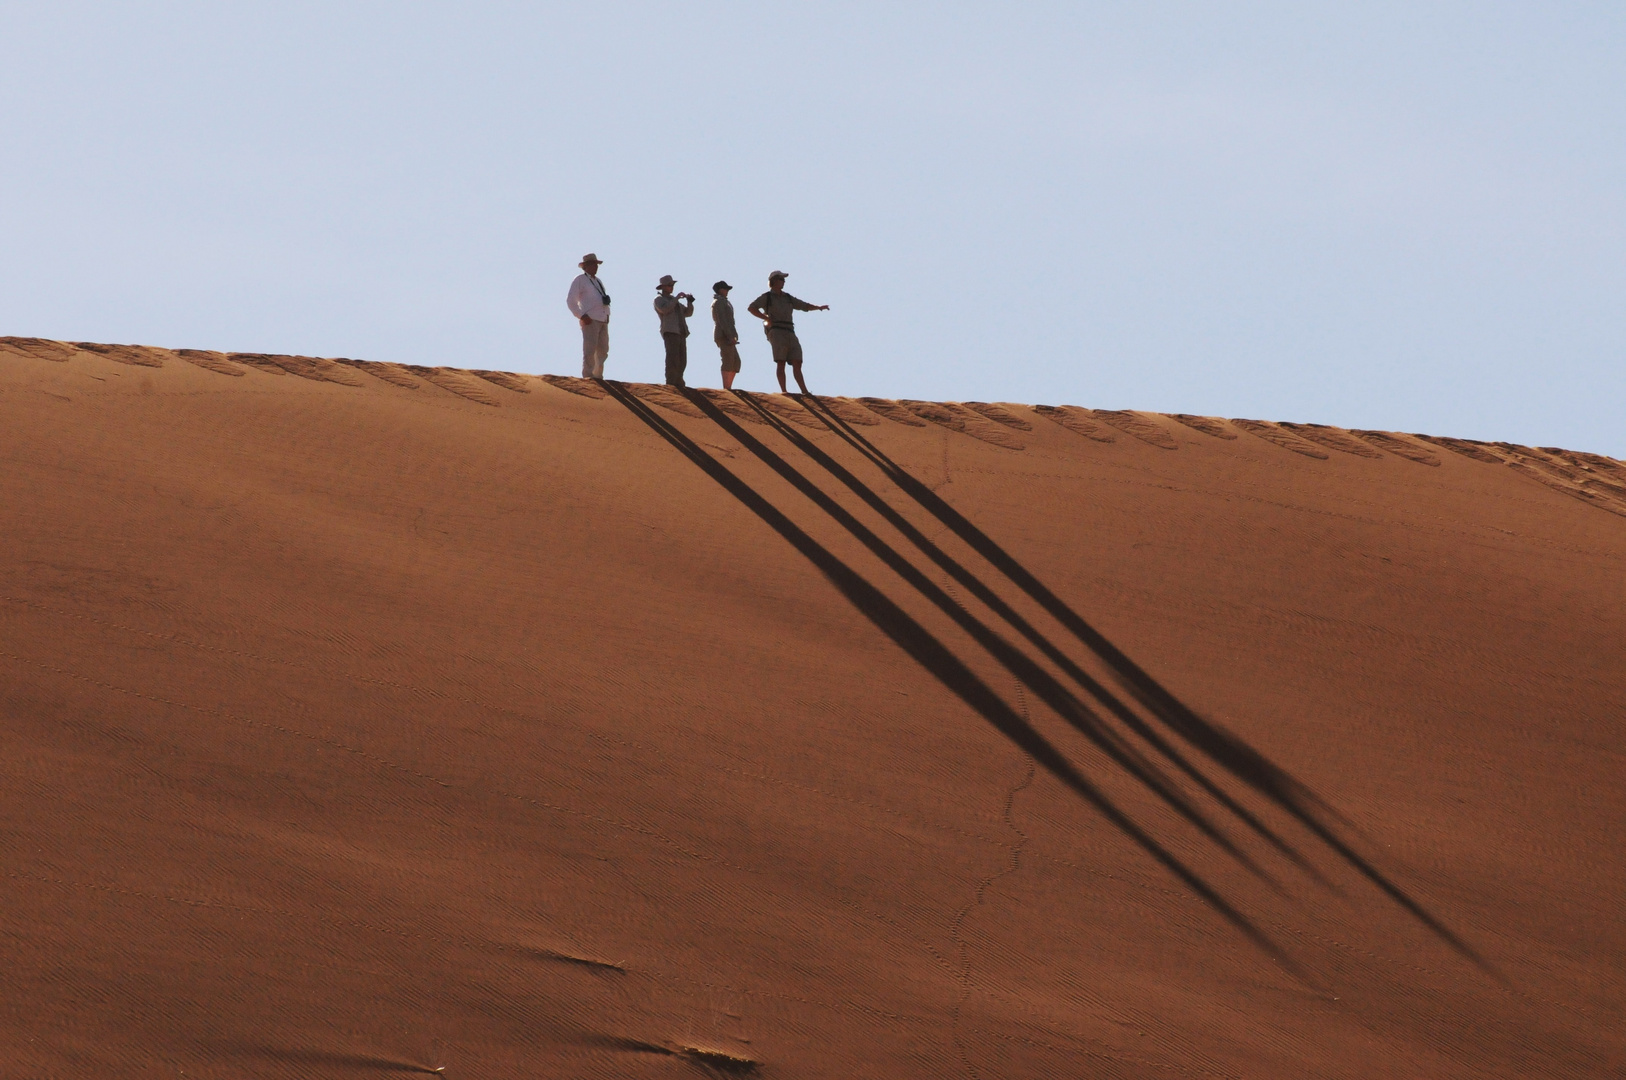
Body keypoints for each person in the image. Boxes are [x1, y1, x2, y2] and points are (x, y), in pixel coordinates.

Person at [747, 270, 828, 394]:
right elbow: (751, 307)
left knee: (797, 361)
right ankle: (784, 391)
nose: (783, 281)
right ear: (773, 281)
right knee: (781, 362)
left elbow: (803, 305)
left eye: (783, 279)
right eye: (781, 279)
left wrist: (818, 307)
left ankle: (804, 391)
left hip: (790, 330)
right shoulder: (767, 297)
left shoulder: (788, 298)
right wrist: (766, 318)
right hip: (776, 330)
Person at [566, 253, 611, 379]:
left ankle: (598, 376)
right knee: (590, 349)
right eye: (592, 264)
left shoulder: (598, 281)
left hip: (603, 318)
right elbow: (570, 300)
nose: (595, 267)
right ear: (585, 267)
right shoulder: (580, 279)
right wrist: (581, 315)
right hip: (590, 319)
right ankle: (588, 376)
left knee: (603, 349)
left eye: (596, 265)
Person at [653, 275, 695, 388]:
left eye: (672, 285)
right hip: (670, 331)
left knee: (682, 359)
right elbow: (665, 309)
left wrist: (690, 302)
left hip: (681, 332)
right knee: (673, 358)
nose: (672, 287)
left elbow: (688, 313)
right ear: (663, 287)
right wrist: (676, 298)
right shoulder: (659, 299)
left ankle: (679, 382)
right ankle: (671, 383)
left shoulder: (673, 300)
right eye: (669, 285)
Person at [711, 281, 741, 390]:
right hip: (723, 334)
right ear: (720, 290)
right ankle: (726, 388)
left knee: (736, 362)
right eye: (725, 288)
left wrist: (733, 335)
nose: (727, 291)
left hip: (729, 335)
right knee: (728, 360)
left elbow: (729, 321)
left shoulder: (724, 302)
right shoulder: (719, 302)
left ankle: (728, 387)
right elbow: (722, 320)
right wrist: (729, 336)